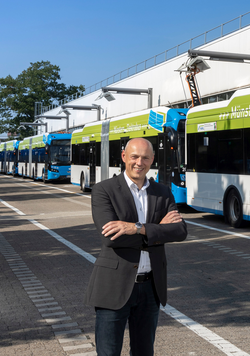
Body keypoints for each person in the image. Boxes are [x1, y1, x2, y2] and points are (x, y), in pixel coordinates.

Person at [84, 137, 188, 356]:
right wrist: (157, 230)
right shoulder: (104, 190)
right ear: (124, 157)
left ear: (152, 160)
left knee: (144, 352)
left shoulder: (163, 192)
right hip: (113, 286)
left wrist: (138, 228)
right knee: (108, 352)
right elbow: (111, 238)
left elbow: (180, 231)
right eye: (134, 156)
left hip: (150, 288)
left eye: (145, 157)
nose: (139, 162)